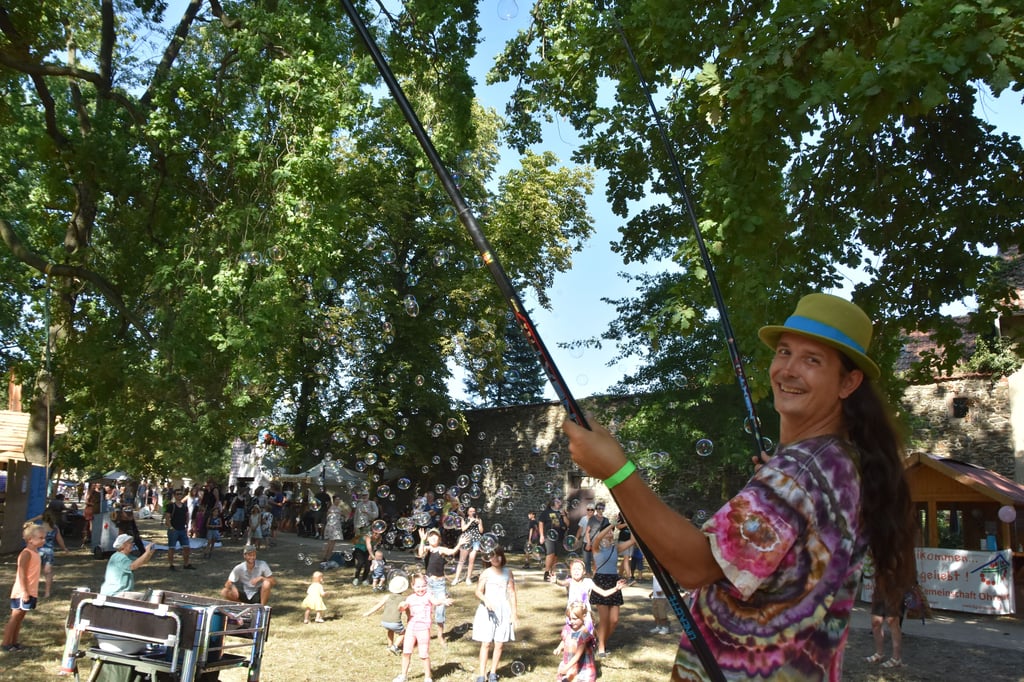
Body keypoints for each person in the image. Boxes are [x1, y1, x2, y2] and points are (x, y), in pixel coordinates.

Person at [563, 292, 916, 680]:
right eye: (784, 352)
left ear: (848, 382)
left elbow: (696, 566)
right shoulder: (842, 463)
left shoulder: (799, 473)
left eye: (812, 360)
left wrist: (615, 470)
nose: (788, 369)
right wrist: (778, 486)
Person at [586, 519, 635, 658]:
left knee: (614, 620)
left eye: (612, 533)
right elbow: (598, 537)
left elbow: (632, 541)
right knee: (605, 619)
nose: (609, 535)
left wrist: (632, 524)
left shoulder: (616, 548)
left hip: (613, 581)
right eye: (608, 532)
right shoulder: (596, 547)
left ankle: (599, 639)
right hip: (601, 581)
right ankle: (601, 647)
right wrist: (612, 525)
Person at [392, 572, 452, 682]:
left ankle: (428, 677)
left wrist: (443, 601)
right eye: (418, 586)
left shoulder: (428, 595)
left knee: (423, 654)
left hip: (423, 629)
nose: (421, 589)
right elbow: (402, 608)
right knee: (406, 652)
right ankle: (403, 675)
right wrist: (400, 606)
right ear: (412, 586)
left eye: (424, 586)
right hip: (411, 629)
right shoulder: (410, 598)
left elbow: (435, 602)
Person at [470, 545, 518, 682]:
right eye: (492, 555)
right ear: (488, 558)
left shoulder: (508, 572)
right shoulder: (486, 573)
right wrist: (486, 600)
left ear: (502, 556)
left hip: (503, 610)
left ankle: (493, 673)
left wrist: (514, 613)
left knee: (499, 644)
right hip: (488, 611)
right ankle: (482, 674)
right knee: (486, 643)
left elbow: (512, 593)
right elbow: (478, 591)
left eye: (498, 555)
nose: (495, 558)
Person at [549, 557, 626, 635]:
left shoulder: (588, 582)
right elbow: (562, 583)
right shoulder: (570, 582)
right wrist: (556, 581)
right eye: (574, 569)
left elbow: (604, 593)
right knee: (572, 635)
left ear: (584, 572)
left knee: (587, 635)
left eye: (579, 569)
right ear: (570, 572)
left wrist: (616, 588)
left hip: (586, 614)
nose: (576, 571)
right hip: (572, 614)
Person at [1, 523, 46, 652]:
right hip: (22, 591)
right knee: (15, 617)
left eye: (44, 538)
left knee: (20, 618)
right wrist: (24, 591)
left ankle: (14, 642)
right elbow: (21, 573)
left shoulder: (35, 552)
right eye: (41, 538)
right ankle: (6, 643)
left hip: (31, 590)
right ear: (30, 539)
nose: (43, 540)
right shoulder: (26, 554)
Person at [416, 528, 459, 644]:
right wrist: (422, 540)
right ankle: (425, 634)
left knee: (440, 610)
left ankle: (440, 635)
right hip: (428, 583)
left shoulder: (441, 550)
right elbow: (420, 553)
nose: (433, 538)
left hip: (439, 584)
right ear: (428, 539)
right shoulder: (427, 549)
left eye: (435, 536)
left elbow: (452, 552)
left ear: (439, 539)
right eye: (431, 536)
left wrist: (459, 544)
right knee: (426, 608)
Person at [364, 574, 408, 655]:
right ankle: (394, 647)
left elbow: (378, 606)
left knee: (390, 630)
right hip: (395, 622)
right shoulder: (404, 599)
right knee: (403, 633)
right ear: (404, 589)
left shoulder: (387, 596)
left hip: (384, 622)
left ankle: (389, 645)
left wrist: (368, 613)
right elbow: (408, 610)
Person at [554, 601, 597, 682]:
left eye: (574, 619)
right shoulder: (568, 628)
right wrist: (559, 648)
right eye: (569, 618)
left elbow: (578, 656)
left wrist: (566, 668)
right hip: (569, 661)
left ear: (583, 617)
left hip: (582, 666)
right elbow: (564, 640)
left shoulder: (584, 633)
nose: (571, 621)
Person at [38, 507, 68, 598]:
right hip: (49, 552)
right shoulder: (55, 528)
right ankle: (47, 592)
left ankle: (33, 590)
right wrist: (64, 548)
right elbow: (60, 540)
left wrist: (36, 518)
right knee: (48, 573)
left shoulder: (39, 527)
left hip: (38, 551)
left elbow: (26, 523)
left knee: (35, 572)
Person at [163, 489, 196, 571]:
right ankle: (171, 565)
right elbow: (167, 517)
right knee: (172, 548)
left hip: (182, 529)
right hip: (173, 530)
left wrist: (187, 525)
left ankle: (186, 564)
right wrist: (170, 527)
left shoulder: (185, 506)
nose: (179, 495)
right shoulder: (171, 506)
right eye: (177, 494)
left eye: (181, 494)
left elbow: (187, 515)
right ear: (174, 495)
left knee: (186, 547)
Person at [452, 506, 484, 585]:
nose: (472, 512)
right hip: (466, 540)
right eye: (470, 511)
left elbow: (481, 531)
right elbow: (463, 529)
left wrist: (479, 523)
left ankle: (468, 578)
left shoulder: (479, 519)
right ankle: (456, 578)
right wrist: (470, 521)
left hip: (476, 540)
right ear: (467, 512)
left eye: (473, 511)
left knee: (471, 561)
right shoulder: (464, 519)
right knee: (462, 560)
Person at [541, 497, 569, 581]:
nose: (559, 503)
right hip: (549, 536)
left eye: (560, 502)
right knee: (551, 553)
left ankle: (552, 574)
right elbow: (540, 523)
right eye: (557, 502)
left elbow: (567, 524)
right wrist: (541, 535)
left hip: (559, 536)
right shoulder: (547, 512)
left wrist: (564, 515)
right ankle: (546, 572)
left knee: (555, 555)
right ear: (553, 503)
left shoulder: (562, 513)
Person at [321, 495, 345, 561]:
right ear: (334, 500)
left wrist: (341, 515)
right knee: (330, 542)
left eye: (339, 499)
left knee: (333, 543)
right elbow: (328, 516)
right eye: (337, 499)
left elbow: (342, 516)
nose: (338, 501)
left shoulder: (339, 508)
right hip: (332, 526)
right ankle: (325, 557)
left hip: (336, 526)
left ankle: (327, 557)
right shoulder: (332, 508)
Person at [577, 504, 595, 575]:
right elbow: (580, 530)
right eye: (588, 509)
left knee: (594, 559)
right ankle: (588, 573)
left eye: (592, 510)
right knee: (586, 560)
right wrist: (576, 538)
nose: (590, 511)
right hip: (585, 542)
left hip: (594, 543)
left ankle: (595, 573)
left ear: (594, 511)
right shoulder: (583, 519)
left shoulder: (597, 519)